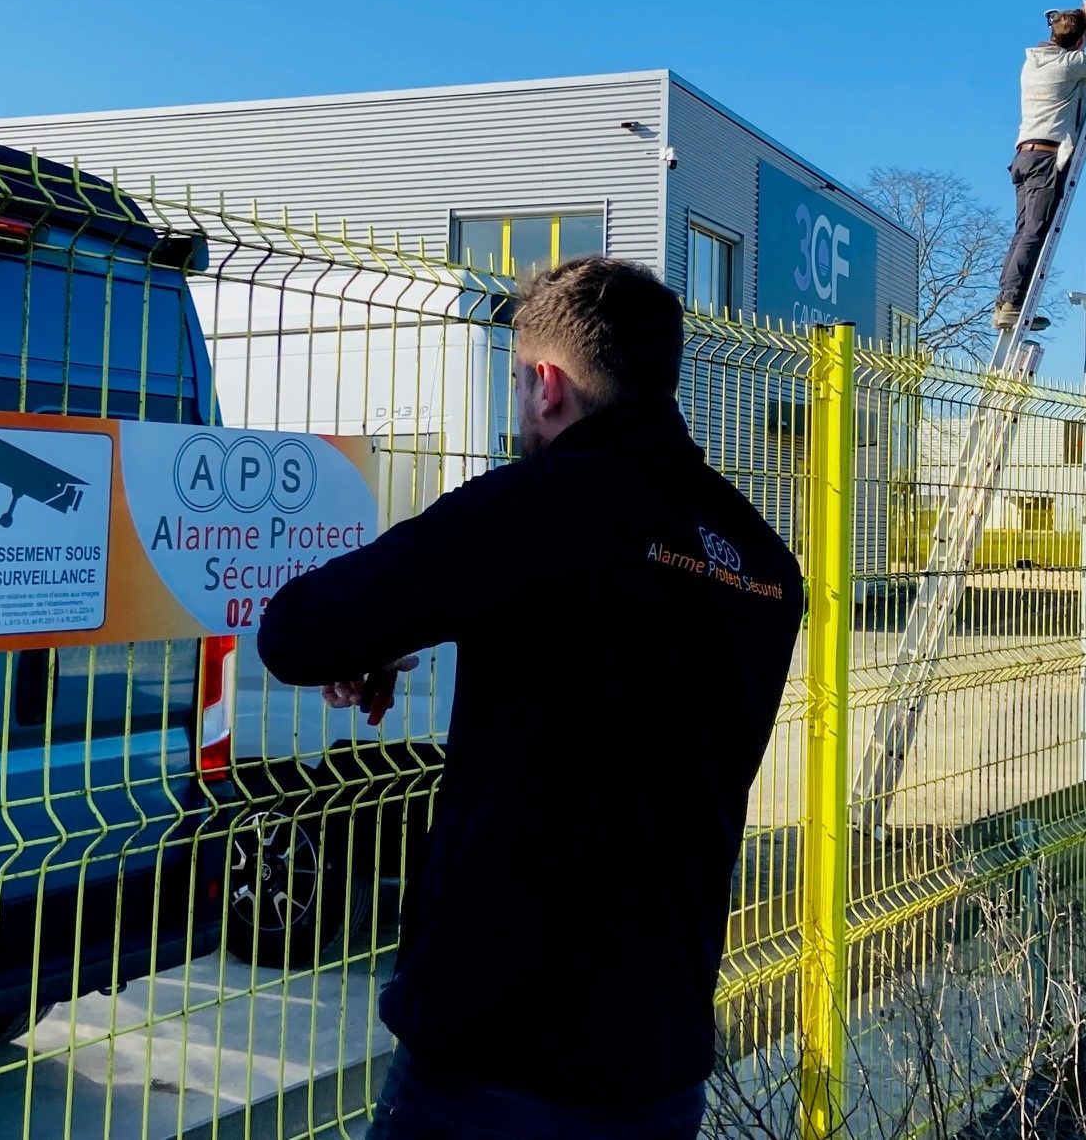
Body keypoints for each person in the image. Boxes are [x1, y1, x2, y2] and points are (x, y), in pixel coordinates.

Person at [257, 256, 805, 1139]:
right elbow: (618, 644)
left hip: (498, 1055)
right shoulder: (764, 566)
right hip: (660, 1056)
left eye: (518, 380)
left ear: (546, 383)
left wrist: (399, 624)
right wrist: (438, 622)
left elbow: (294, 633)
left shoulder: (535, 509)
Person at [993, 0, 1086, 332]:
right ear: (1079, 41)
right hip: (1046, 158)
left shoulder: (1033, 63)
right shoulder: (1067, 65)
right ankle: (1010, 305)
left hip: (1025, 156)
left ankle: (1007, 300)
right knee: (1035, 232)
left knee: (1024, 232)